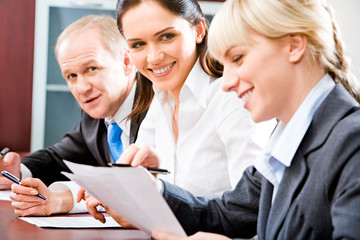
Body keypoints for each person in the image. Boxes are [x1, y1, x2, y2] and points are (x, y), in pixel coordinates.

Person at [84, 0, 360, 239]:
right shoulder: (289, 135)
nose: (226, 82)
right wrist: (152, 190)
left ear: (294, 46)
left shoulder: (351, 142)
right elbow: (231, 214)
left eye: (238, 58)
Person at [113, 0, 275, 199]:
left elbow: (254, 208)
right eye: (138, 44)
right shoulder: (160, 100)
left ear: (198, 30)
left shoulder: (234, 98)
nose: (154, 57)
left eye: (166, 36)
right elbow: (134, 186)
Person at [0, 15, 148, 216]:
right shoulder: (96, 112)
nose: (82, 88)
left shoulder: (157, 107)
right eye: (71, 76)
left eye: (92, 69)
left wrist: (63, 199)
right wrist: (17, 172)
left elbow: (139, 182)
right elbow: (58, 157)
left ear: (126, 62)